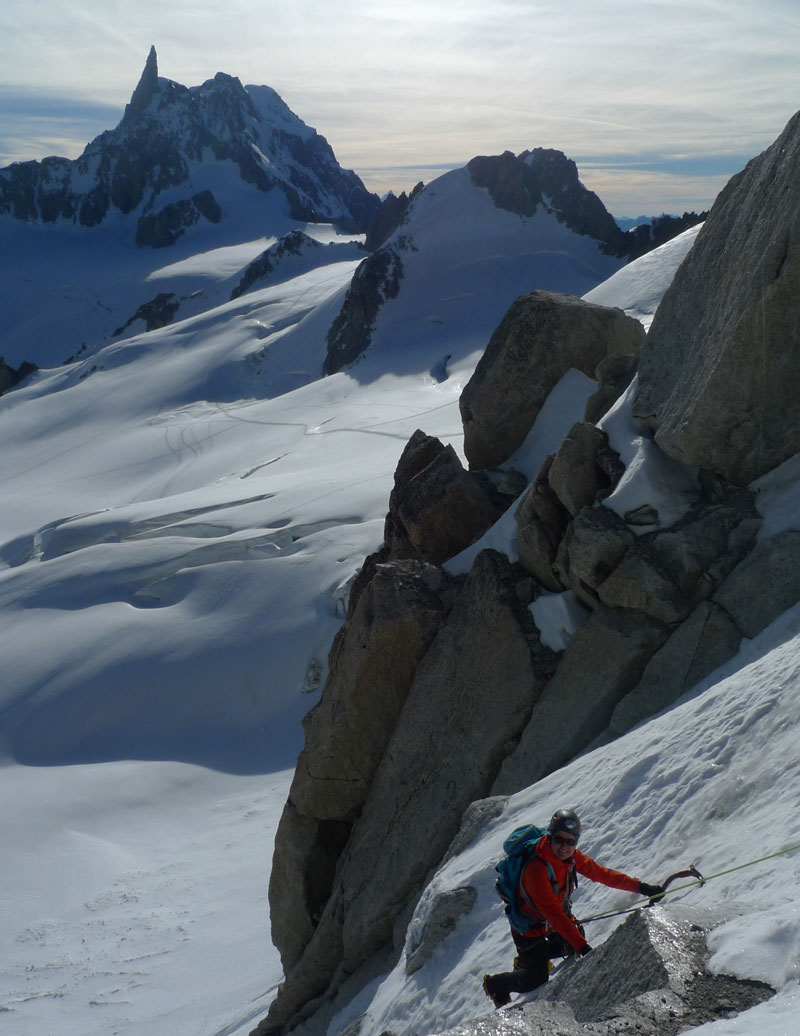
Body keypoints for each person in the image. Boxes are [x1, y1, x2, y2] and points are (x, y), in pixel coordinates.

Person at [483, 808, 664, 1008]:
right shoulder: (536, 869)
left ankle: (532, 959)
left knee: (572, 940)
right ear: (550, 837)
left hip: (552, 921)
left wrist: (642, 887)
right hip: (528, 927)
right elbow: (555, 915)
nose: (565, 847)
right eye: (560, 840)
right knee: (535, 979)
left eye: (571, 842)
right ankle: (495, 985)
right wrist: (584, 948)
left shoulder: (571, 858)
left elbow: (603, 874)